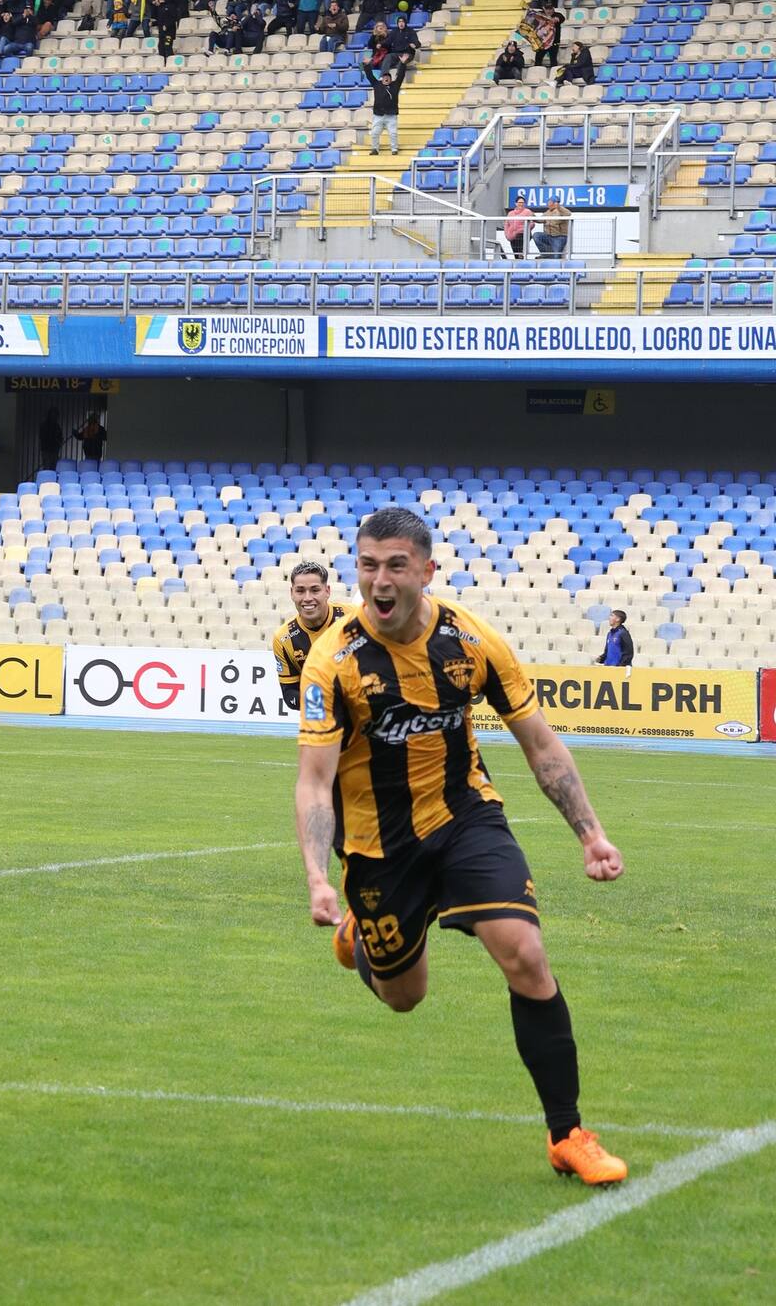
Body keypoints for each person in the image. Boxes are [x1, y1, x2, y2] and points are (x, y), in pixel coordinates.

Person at [294, 507, 628, 1187]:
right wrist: (318, 879)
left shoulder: (472, 640)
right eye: (367, 565)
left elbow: (540, 744)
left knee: (526, 953)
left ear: (425, 570)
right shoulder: (334, 660)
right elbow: (314, 781)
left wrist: (590, 832)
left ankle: (567, 1133)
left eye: (394, 565)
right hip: (379, 846)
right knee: (404, 995)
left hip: (467, 817)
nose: (378, 580)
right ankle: (363, 937)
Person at [272, 560, 352, 711]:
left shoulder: (354, 617)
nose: (307, 598)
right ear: (292, 593)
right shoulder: (283, 638)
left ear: (327, 591)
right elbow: (290, 695)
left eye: (315, 590)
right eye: (300, 590)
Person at [363, 51, 411, 156]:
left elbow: (401, 76)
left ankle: (394, 149)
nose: (386, 78)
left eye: (388, 77)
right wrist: (366, 65)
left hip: (391, 115)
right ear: (382, 78)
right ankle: (375, 149)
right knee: (375, 133)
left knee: (393, 133)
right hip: (378, 115)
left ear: (390, 79)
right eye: (384, 77)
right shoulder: (376, 84)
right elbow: (369, 75)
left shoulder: (395, 85)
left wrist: (402, 64)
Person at [503, 192, 533, 257]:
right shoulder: (510, 213)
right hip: (512, 235)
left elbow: (532, 223)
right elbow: (506, 224)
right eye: (519, 202)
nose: (521, 204)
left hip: (524, 234)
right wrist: (507, 234)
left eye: (522, 202)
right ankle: (518, 261)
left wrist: (520, 230)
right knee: (515, 253)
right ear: (516, 203)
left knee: (519, 245)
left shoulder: (528, 212)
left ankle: (521, 256)